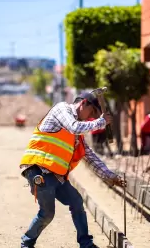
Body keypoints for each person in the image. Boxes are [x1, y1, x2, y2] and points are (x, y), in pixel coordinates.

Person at [19, 91, 126, 248]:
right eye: (91, 113)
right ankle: (26, 243)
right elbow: (74, 127)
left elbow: (89, 157)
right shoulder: (62, 109)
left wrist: (110, 176)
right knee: (47, 213)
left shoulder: (77, 136)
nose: (91, 118)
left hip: (56, 176)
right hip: (38, 169)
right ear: (83, 103)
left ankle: (86, 244)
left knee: (76, 201)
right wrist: (100, 123)